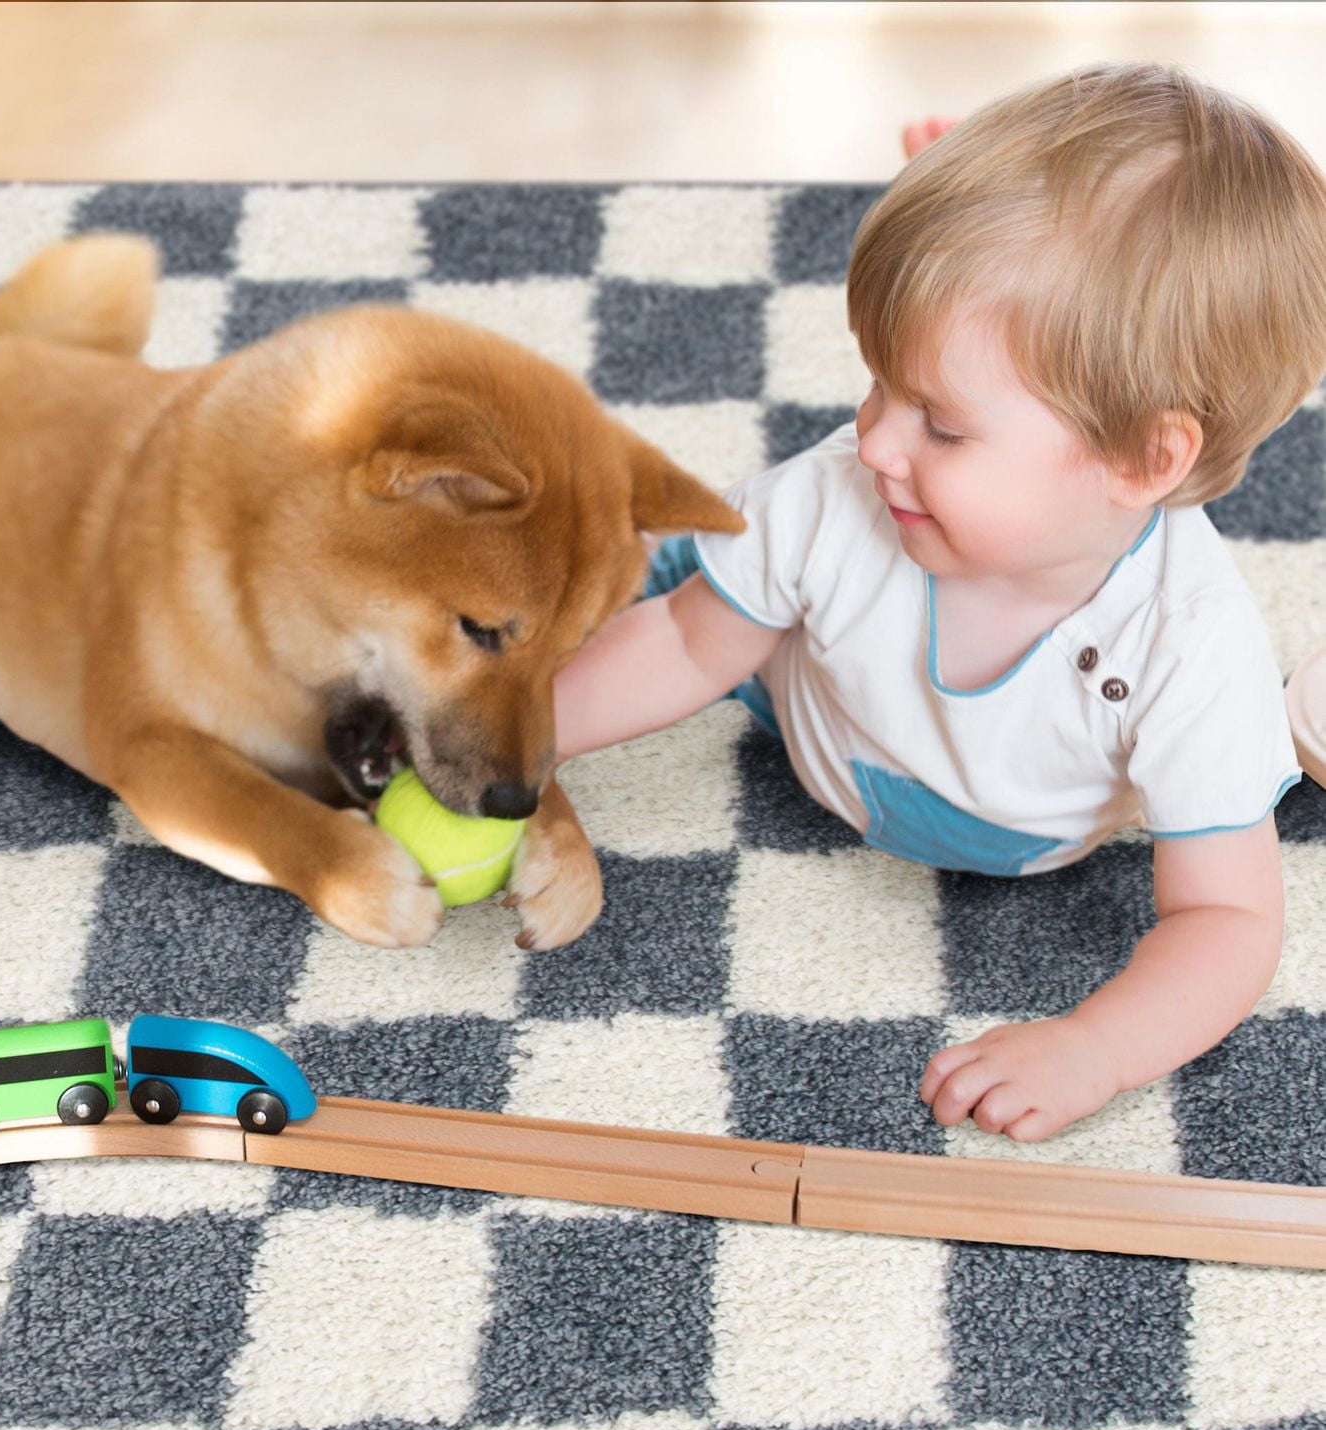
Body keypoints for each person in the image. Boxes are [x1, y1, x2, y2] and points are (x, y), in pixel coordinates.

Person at [553, 63, 1326, 1143]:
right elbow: (688, 649)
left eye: (942, 423)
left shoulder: (1192, 651)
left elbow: (1231, 919)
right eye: (879, 385)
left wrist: (1095, 1047)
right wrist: (500, 741)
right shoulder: (849, 493)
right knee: (628, 566)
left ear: (1147, 458)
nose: (874, 439)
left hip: (1003, 825)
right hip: (798, 688)